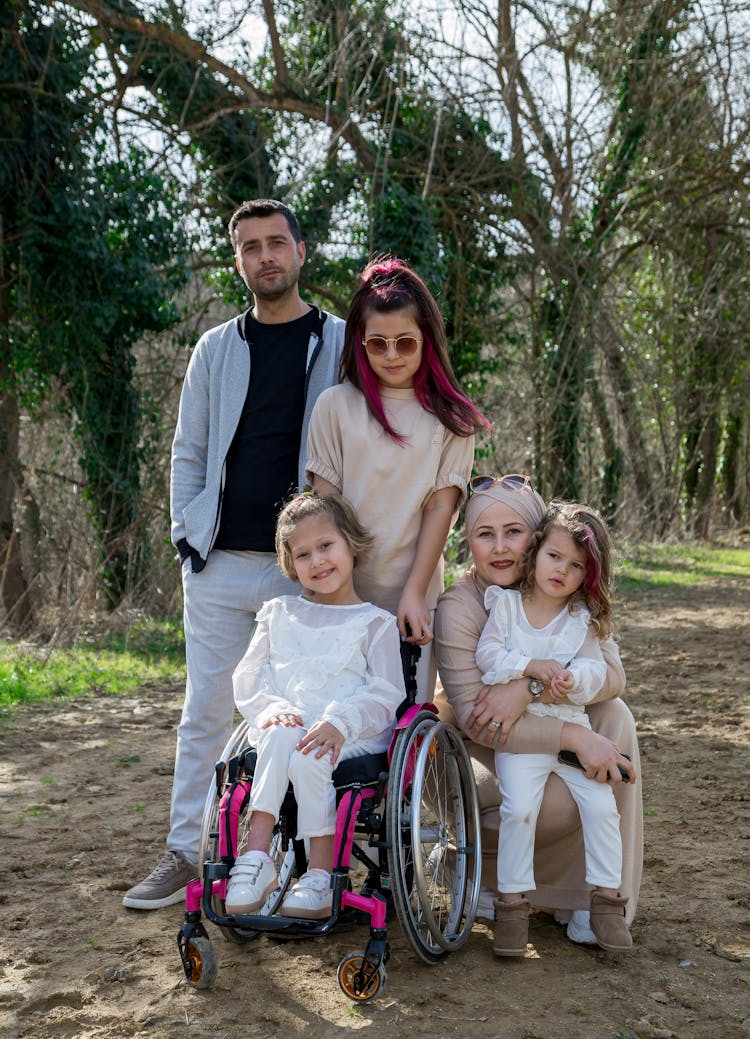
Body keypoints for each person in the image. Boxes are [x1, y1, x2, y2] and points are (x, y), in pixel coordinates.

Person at [123, 199, 345, 910]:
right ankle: (184, 853)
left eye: (277, 243)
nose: (265, 257)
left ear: (302, 252)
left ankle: (283, 861)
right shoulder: (215, 348)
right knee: (207, 712)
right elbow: (187, 450)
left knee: (295, 716)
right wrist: (188, 537)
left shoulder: (339, 341)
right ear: (239, 259)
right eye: (250, 247)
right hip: (219, 562)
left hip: (301, 569)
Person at [433, 474, 642, 950]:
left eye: (515, 532)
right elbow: (478, 718)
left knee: (617, 718)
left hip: (547, 719)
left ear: (539, 535)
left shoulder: (567, 592)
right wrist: (574, 739)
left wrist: (530, 688)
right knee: (540, 798)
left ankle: (596, 897)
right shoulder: (461, 607)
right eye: (486, 534)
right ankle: (487, 879)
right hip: (481, 747)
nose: (502, 547)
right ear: (469, 541)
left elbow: (611, 675)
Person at [306, 257, 490, 698]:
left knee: (406, 726)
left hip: (414, 596)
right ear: (361, 343)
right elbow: (324, 512)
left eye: (405, 343)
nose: (391, 355)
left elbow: (439, 508)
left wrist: (413, 593)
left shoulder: (452, 419)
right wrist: (336, 596)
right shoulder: (335, 407)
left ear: (427, 341)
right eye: (378, 343)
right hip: (341, 595)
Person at [226, 493, 405, 919]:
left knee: (310, 757)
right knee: (281, 732)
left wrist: (340, 723)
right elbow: (249, 677)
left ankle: (320, 876)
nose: (317, 561)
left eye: (326, 546)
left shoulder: (375, 623)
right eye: (303, 554)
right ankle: (256, 859)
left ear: (350, 544)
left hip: (346, 735)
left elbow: (385, 693)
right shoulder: (278, 613)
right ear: (290, 562)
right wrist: (270, 709)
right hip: (281, 729)